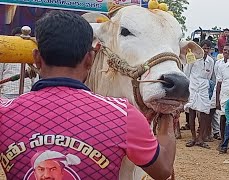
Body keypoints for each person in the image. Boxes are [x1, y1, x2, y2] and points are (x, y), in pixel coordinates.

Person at [0, 11, 175, 180]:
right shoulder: (124, 116)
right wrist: (167, 113)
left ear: (36, 58)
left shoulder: (4, 114)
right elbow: (163, 170)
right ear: (90, 59)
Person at [184, 40, 215, 149]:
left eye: (208, 48)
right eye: (204, 48)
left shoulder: (211, 61)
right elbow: (186, 73)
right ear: (200, 48)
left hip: (204, 88)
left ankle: (201, 138)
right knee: (191, 111)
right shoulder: (193, 58)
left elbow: (209, 76)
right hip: (193, 86)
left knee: (204, 112)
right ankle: (193, 137)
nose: (205, 51)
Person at [0, 27, 37, 99]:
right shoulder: (5, 55)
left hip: (27, 93)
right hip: (7, 93)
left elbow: (34, 76)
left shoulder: (31, 55)